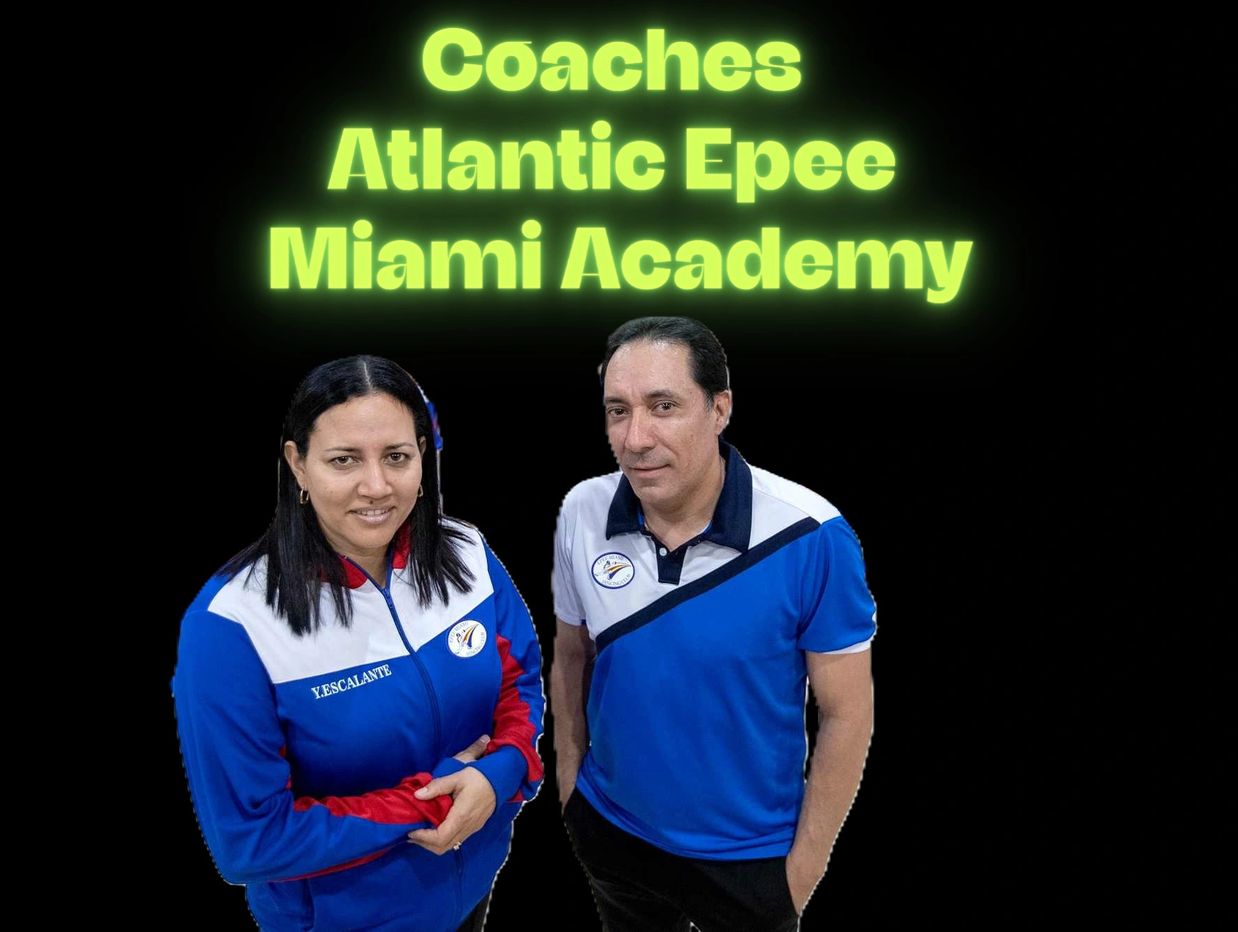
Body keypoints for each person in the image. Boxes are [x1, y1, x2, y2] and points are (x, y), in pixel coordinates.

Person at [172, 355, 544, 931]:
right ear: (297, 464)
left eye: (397, 456)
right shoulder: (232, 625)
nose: (376, 487)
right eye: (344, 460)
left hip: (473, 884)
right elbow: (250, 840)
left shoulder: (467, 552)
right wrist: (435, 801)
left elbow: (520, 681)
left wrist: (501, 772)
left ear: (424, 454)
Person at [550, 317, 877, 931]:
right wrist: (571, 785)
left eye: (664, 406)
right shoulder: (582, 510)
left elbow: (846, 713)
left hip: (750, 862)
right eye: (617, 411)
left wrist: (801, 872)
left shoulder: (812, 536)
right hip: (612, 832)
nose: (635, 438)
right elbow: (571, 654)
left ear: (720, 408)